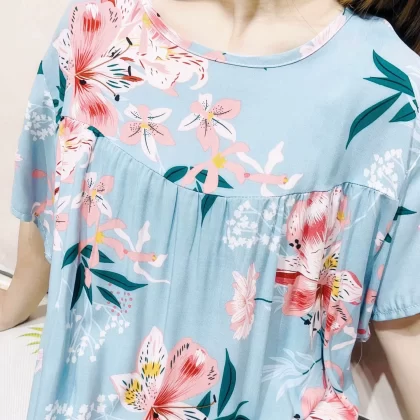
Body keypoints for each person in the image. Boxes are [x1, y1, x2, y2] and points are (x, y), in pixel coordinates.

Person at [1, 0, 419, 418]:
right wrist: (18, 298)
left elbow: (405, 329)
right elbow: (50, 208)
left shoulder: (391, 98)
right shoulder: (100, 24)